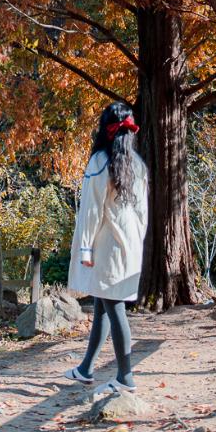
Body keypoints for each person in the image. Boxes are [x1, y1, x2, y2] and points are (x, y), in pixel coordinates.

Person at [63, 99, 149, 395]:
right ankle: (86, 369)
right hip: (130, 244)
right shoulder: (137, 165)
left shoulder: (99, 161)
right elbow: (143, 213)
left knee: (114, 309)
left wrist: (85, 249)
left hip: (106, 245)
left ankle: (125, 376)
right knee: (102, 304)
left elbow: (91, 209)